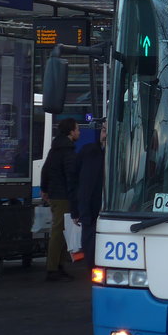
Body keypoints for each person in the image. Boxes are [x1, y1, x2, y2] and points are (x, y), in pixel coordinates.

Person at [40, 117, 79, 281]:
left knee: (61, 230)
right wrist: (75, 195)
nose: (79, 132)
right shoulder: (68, 151)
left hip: (55, 194)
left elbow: (45, 169)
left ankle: (58, 265)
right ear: (71, 132)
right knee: (59, 231)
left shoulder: (55, 148)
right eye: (77, 129)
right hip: (63, 196)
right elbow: (71, 175)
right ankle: (53, 267)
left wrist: (44, 189)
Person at [72, 119, 106, 270]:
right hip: (90, 211)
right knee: (89, 248)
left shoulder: (123, 155)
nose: (105, 135)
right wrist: (75, 210)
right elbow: (74, 181)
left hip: (111, 210)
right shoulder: (88, 151)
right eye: (104, 130)